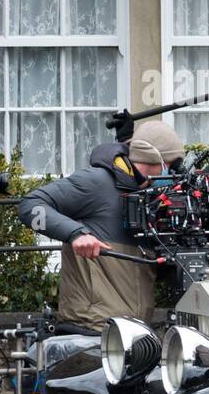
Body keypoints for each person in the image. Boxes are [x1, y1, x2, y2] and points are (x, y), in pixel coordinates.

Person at [18, 122, 185, 333]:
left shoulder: (151, 199)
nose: (172, 173)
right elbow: (29, 207)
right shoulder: (97, 182)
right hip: (90, 329)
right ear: (154, 159)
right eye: (171, 164)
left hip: (134, 333)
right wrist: (75, 234)